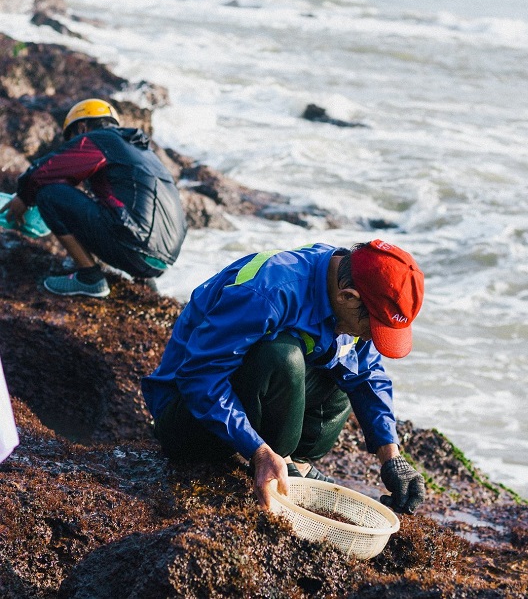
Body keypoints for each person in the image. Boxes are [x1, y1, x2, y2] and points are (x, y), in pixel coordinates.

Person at [141, 239, 427, 513]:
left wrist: (391, 456)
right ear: (348, 297)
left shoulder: (346, 281)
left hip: (249, 399)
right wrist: (258, 451)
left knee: (348, 366)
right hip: (184, 413)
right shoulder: (268, 291)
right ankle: (274, 457)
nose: (371, 338)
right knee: (282, 356)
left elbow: (367, 374)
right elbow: (199, 379)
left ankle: (296, 462)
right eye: (372, 328)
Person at [0, 98, 187, 298]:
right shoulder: (143, 153)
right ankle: (144, 282)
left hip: (133, 248)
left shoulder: (100, 139)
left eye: (72, 139)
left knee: (48, 193)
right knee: (117, 209)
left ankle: (90, 278)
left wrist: (24, 196)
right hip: (162, 261)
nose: (73, 145)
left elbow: (46, 171)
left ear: (82, 128)